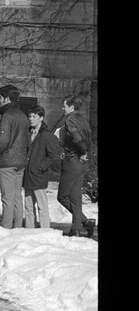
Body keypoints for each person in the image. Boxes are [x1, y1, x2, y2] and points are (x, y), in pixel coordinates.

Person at [53, 95, 96, 238]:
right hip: (82, 163)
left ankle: (84, 221)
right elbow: (88, 138)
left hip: (72, 160)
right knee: (75, 197)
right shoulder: (84, 120)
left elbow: (76, 136)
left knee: (62, 196)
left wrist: (82, 151)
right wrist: (85, 153)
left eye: (64, 106)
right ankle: (76, 229)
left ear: (71, 107)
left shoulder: (70, 119)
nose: (62, 108)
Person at [0, 84, 30, 229]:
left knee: (7, 197)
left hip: (6, 162)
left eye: (0, 98)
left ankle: (6, 227)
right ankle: (17, 227)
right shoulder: (22, 115)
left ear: (6, 99)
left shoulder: (7, 116)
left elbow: (2, 140)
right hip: (20, 161)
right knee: (17, 196)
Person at [23, 105, 61, 230]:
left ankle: (45, 231)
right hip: (28, 175)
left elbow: (54, 155)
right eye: (30, 116)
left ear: (41, 118)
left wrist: (40, 167)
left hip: (39, 176)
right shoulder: (28, 133)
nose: (31, 119)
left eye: (34, 116)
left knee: (42, 206)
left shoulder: (46, 135)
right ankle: (30, 231)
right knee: (28, 207)